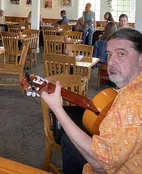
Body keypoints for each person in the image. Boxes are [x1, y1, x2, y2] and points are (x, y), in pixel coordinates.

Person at [42, 28, 142, 174]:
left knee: (67, 140)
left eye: (121, 54)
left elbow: (99, 165)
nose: (111, 61)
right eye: (109, 54)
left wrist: (57, 109)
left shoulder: (131, 103)